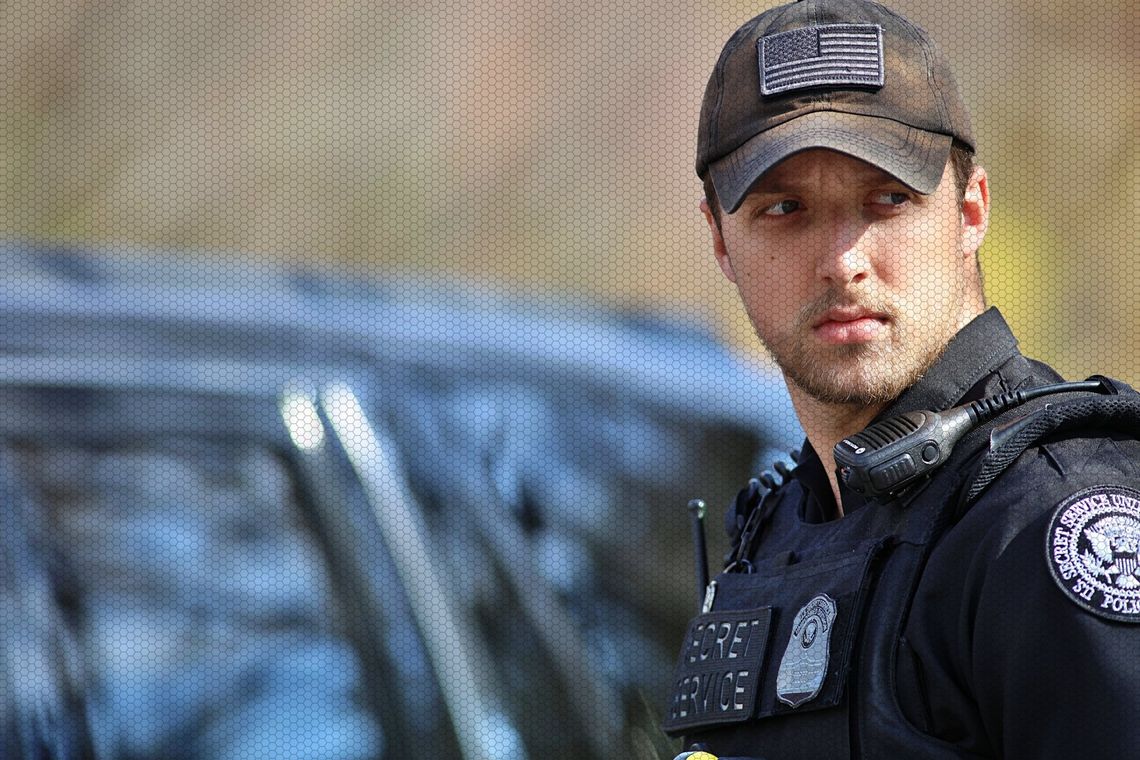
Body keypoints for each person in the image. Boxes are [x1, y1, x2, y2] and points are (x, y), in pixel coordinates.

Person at [661, 0, 1140, 758]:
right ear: (720, 240)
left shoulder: (1051, 528)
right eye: (785, 208)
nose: (843, 261)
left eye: (889, 200)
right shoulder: (781, 522)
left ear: (971, 212)